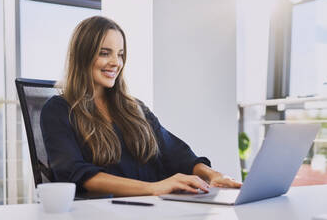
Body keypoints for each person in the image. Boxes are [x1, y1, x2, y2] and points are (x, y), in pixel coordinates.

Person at [40, 16, 242, 197]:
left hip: (155, 208)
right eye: (104, 53)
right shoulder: (58, 110)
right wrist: (154, 188)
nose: (115, 62)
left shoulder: (134, 108)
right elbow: (75, 173)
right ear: (83, 56)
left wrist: (213, 175)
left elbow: (177, 154)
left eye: (120, 54)